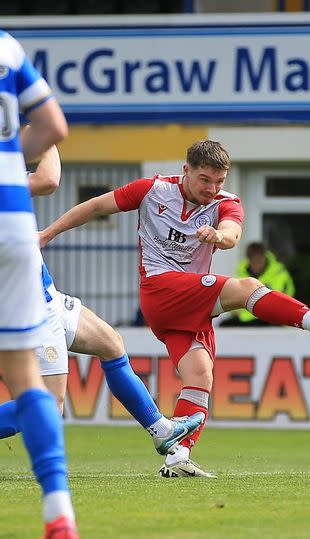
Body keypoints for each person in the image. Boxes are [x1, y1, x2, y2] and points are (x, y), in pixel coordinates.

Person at [39, 140, 310, 478]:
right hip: (159, 290)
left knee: (200, 376)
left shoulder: (226, 203)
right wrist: (48, 234)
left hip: (186, 306)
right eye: (205, 180)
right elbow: (97, 207)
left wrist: (219, 235)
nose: (213, 189)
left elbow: (233, 233)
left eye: (219, 181)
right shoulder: (152, 190)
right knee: (245, 287)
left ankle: (177, 457)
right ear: (186, 170)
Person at [0, 145, 205, 458]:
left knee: (111, 343)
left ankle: (160, 429)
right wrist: (46, 137)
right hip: (27, 305)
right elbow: (49, 179)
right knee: (48, 406)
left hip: (46, 295)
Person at [0, 29, 78, 538]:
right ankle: (59, 513)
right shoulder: (7, 48)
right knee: (27, 379)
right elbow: (53, 125)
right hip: (13, 226)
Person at [222, 242, 295, 326]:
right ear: (249, 260)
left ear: (264, 257)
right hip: (245, 320)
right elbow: (232, 301)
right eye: (254, 262)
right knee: (224, 325)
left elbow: (285, 300)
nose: (257, 265)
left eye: (259, 261)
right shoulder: (240, 275)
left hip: (271, 319)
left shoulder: (280, 274)